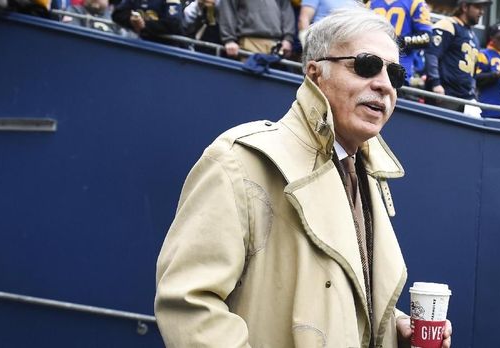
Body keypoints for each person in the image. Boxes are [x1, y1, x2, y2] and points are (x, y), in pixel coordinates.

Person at [155, 7, 452, 348]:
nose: (384, 85)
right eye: (367, 65)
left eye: (395, 74)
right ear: (315, 74)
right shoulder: (239, 161)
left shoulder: (369, 176)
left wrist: (396, 327)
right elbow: (189, 304)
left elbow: (340, 300)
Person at [425, 0, 491, 111]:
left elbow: (473, 71)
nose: (482, 12)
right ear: (465, 7)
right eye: (478, 7)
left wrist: (473, 91)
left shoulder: (473, 35)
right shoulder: (448, 24)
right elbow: (432, 55)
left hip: (467, 98)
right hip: (446, 95)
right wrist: (436, 84)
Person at [366, 0, 433, 86]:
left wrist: (395, 41)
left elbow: (426, 37)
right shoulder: (371, 3)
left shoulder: (416, 3)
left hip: (397, 69)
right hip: (369, 64)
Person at [218, 0, 295, 59]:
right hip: (249, 42)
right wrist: (229, 40)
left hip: (276, 46)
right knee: (248, 79)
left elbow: (286, 11)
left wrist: (287, 39)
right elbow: (227, 10)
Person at [475, 23, 500, 118]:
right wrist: (498, 75)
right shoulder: (484, 54)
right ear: (492, 38)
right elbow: (476, 78)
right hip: (489, 105)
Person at [111, 0, 183, 43]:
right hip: (136, 43)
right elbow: (117, 14)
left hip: (164, 47)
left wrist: (144, 26)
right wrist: (131, 21)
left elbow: (173, 24)